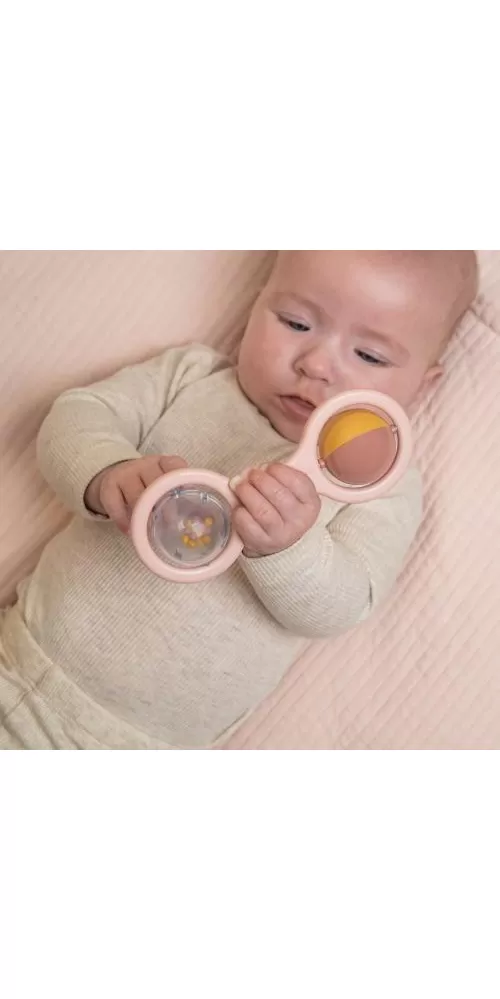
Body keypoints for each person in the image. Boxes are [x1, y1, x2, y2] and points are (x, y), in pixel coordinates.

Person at [0, 251, 478, 750]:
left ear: (423, 384)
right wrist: (107, 472)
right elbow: (77, 416)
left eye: (370, 356)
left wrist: (287, 550)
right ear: (256, 305)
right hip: (18, 655)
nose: (316, 365)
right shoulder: (191, 376)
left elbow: (345, 605)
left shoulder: (382, 486)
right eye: (296, 323)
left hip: (132, 743)